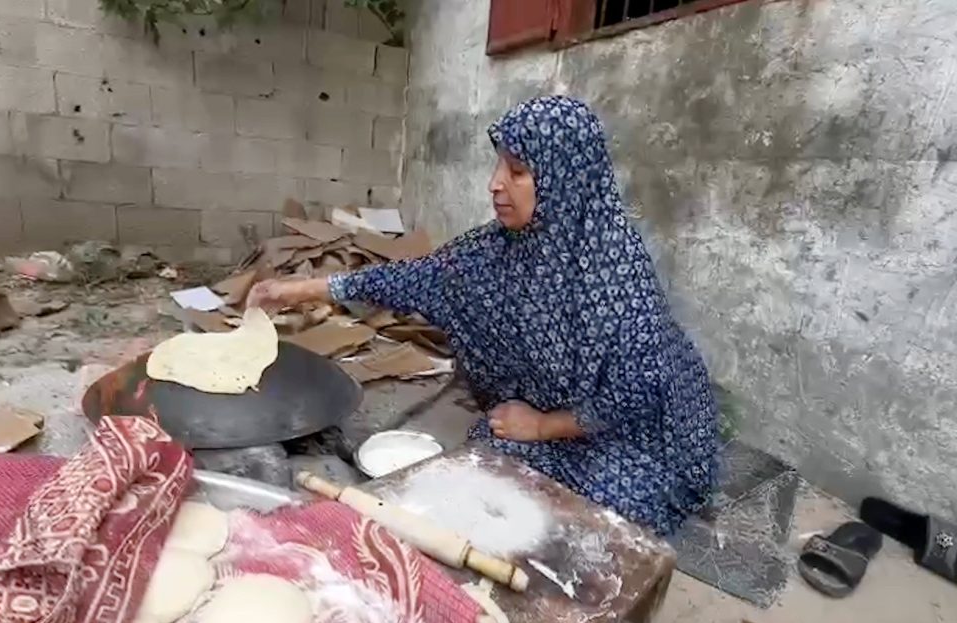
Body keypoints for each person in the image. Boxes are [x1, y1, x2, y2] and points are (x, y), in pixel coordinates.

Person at [249, 96, 718, 536]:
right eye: (499, 166)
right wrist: (300, 289)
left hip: (639, 432)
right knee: (489, 459)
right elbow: (416, 277)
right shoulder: (497, 249)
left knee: (607, 512)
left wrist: (541, 426)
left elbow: (633, 391)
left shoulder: (613, 265)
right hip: (552, 409)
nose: (495, 183)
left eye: (517, 171)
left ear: (565, 181)